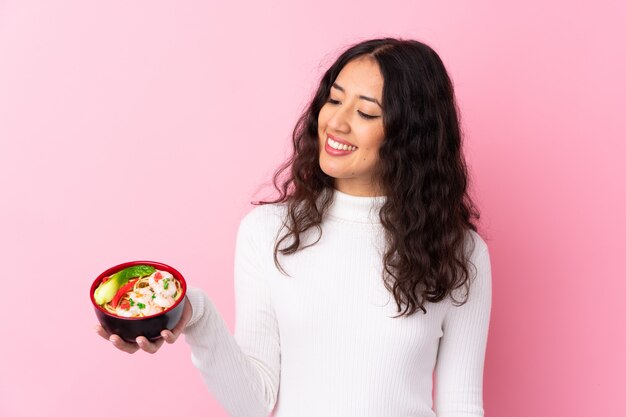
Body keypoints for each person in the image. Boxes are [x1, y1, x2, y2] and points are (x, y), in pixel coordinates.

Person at [96, 37, 492, 417]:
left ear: (411, 135)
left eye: (366, 112)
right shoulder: (268, 233)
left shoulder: (459, 252)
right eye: (334, 100)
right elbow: (253, 404)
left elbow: (461, 407)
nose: (336, 122)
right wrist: (192, 312)